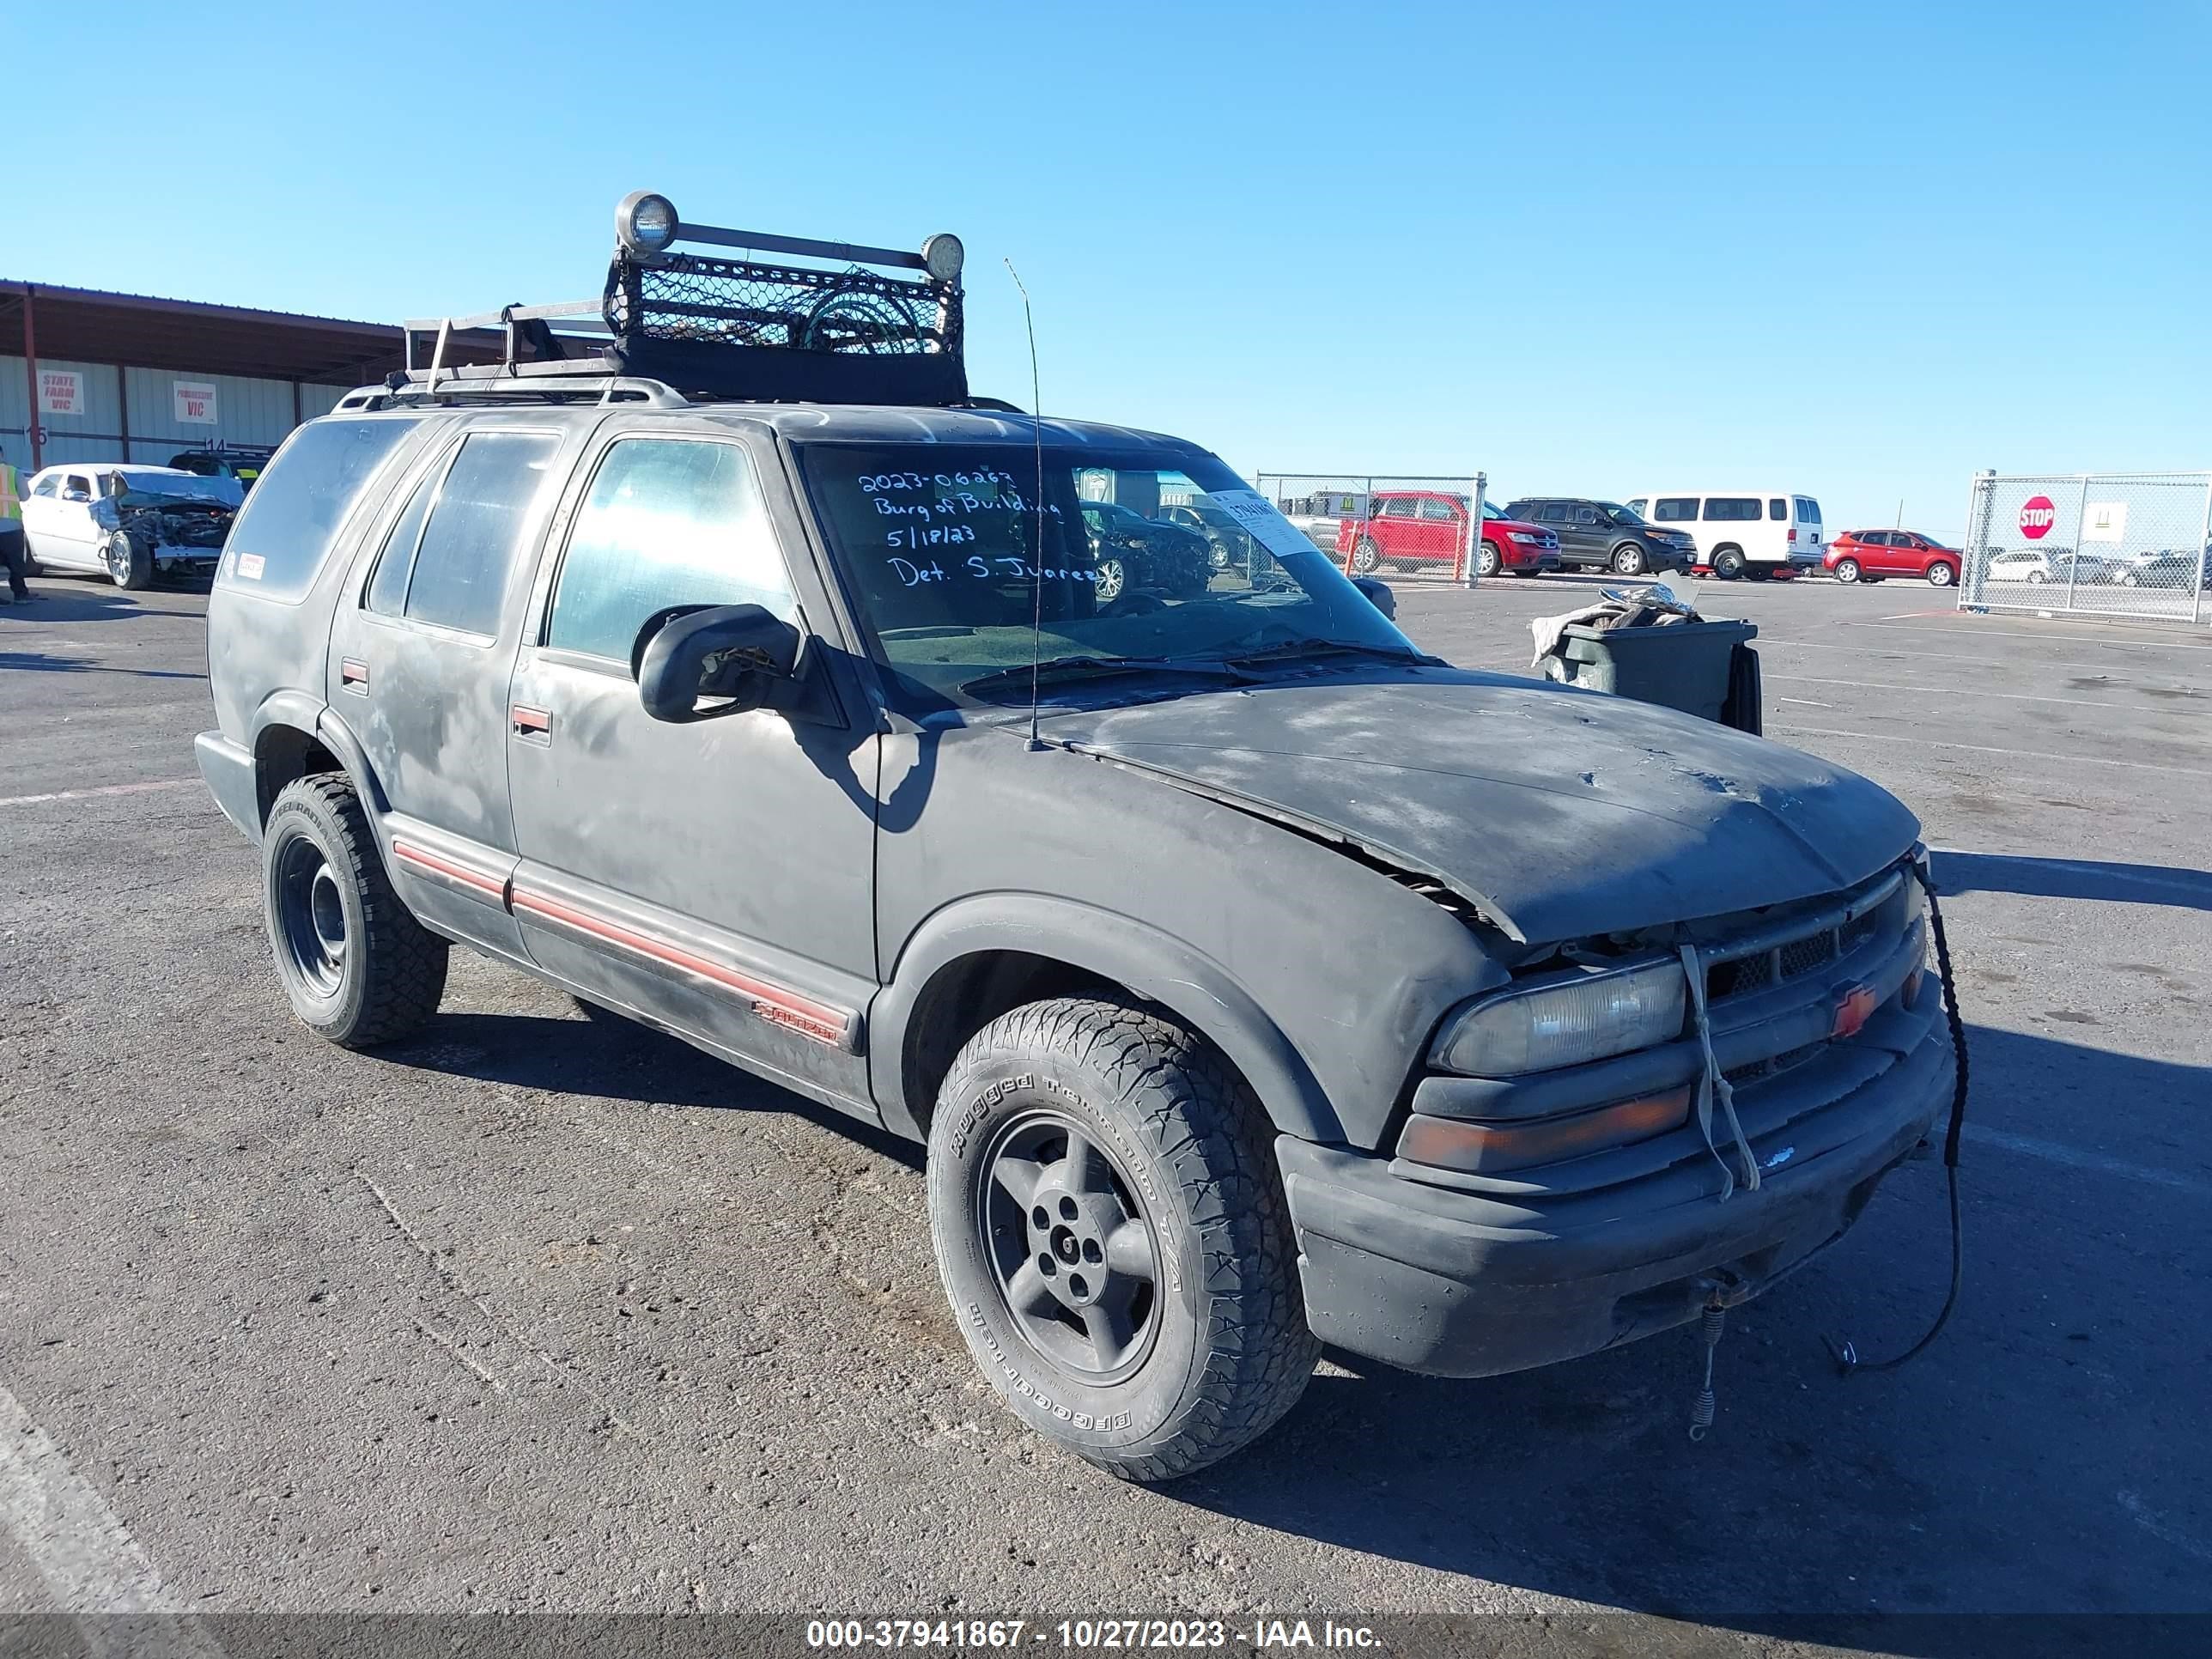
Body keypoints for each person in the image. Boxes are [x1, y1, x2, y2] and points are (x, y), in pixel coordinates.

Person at [0, 441, 31, 604]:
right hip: (12, 527)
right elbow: (26, 496)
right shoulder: (14, 473)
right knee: (16, 563)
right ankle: (20, 594)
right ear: (2, 455)